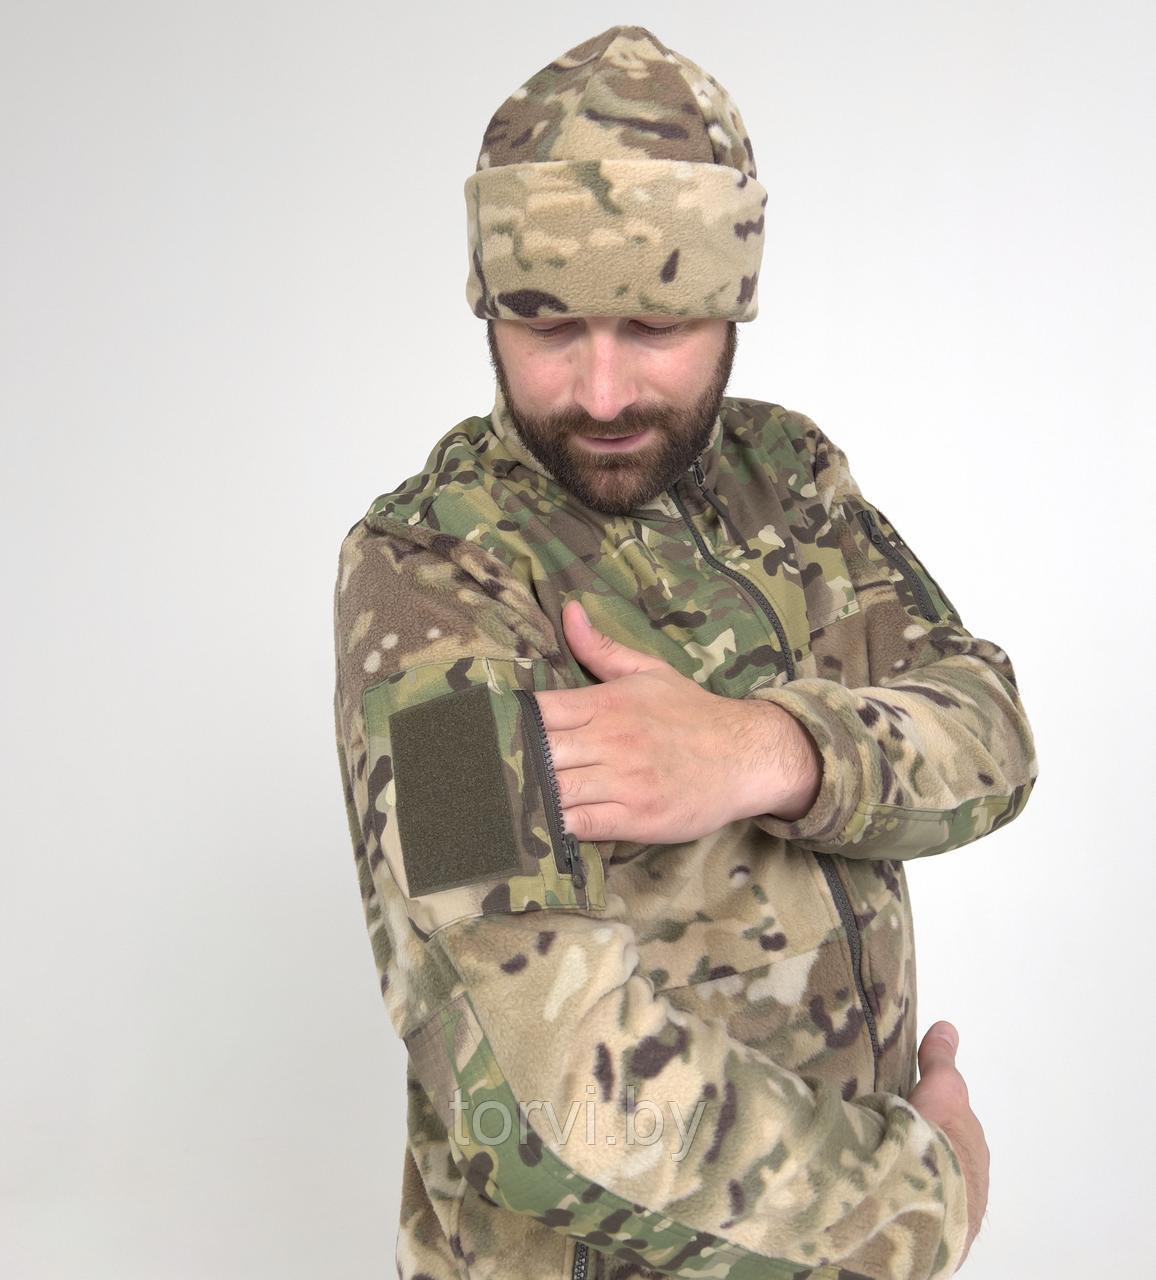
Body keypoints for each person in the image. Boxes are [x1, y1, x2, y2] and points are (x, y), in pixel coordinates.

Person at [331, 25, 1038, 1280]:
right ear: (488, 304)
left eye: (654, 322)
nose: (601, 391)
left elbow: (989, 731)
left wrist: (767, 750)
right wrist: (916, 1205)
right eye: (548, 324)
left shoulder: (788, 480)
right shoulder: (430, 580)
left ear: (730, 302)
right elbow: (534, 1089)